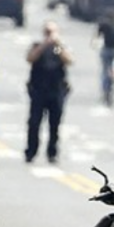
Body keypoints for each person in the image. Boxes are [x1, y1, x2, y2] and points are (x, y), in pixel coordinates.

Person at [25, 21, 72, 164]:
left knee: (55, 124)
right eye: (47, 32)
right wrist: (44, 44)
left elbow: (69, 60)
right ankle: (31, 151)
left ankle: (52, 152)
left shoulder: (60, 48)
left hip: (56, 90)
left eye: (52, 32)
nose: (49, 35)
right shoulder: (37, 46)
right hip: (39, 90)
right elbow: (30, 58)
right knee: (34, 123)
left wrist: (57, 44)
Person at [92, 9, 114, 106]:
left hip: (106, 49)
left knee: (104, 71)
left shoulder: (103, 24)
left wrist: (93, 43)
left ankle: (105, 90)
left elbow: (97, 35)